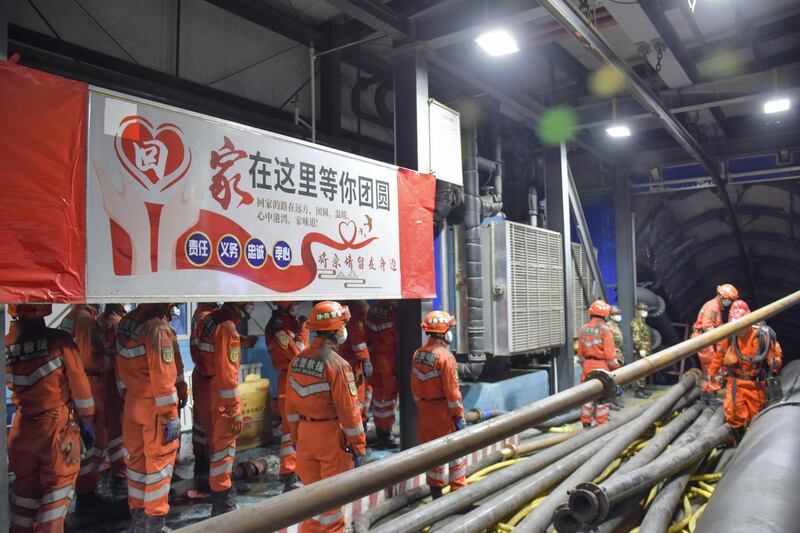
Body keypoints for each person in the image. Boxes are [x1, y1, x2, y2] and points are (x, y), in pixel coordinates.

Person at [6, 303, 96, 533]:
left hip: (21, 429)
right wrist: (87, 421)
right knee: (58, 493)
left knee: (24, 497)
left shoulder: (6, 345)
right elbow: (81, 390)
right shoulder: (60, 342)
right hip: (56, 431)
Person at [285, 301, 366, 532]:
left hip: (304, 435)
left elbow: (290, 406)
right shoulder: (338, 365)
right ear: (336, 330)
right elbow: (349, 414)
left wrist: (296, 436)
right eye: (343, 325)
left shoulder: (297, 360)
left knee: (312, 502)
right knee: (331, 505)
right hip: (330, 438)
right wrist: (359, 447)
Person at [116, 304, 181, 532]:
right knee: (159, 465)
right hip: (153, 406)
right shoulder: (157, 329)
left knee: (136, 464)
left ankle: (138, 521)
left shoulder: (127, 322)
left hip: (132, 402)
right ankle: (155, 524)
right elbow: (162, 379)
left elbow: (120, 365)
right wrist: (171, 415)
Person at [197, 302, 255, 515]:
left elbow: (209, 348)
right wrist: (234, 412)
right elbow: (228, 375)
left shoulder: (207, 318)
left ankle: (217, 493)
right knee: (223, 448)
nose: (251, 307)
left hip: (205, 386)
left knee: (213, 444)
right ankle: (223, 504)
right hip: (219, 393)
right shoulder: (228, 327)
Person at [411, 311, 466, 500]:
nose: (451, 332)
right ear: (443, 333)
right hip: (444, 413)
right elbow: (452, 392)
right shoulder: (446, 357)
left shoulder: (417, 354)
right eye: (449, 328)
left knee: (432, 454)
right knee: (455, 453)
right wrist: (458, 415)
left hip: (425, 412)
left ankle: (436, 493)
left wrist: (423, 405)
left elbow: (415, 387)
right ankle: (459, 495)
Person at [58, 304, 109, 508]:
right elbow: (89, 358)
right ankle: (87, 488)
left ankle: (85, 486)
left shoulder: (68, 317)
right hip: (89, 383)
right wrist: (110, 363)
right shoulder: (86, 321)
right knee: (97, 440)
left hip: (72, 385)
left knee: (84, 442)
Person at [714, 300, 782, 442]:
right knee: (733, 413)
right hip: (735, 383)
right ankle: (738, 444)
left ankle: (752, 444)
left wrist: (774, 365)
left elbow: (774, 355)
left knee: (756, 417)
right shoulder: (729, 336)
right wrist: (713, 374)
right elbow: (719, 356)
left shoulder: (762, 336)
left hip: (755, 384)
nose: (739, 329)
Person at [265, 301, 304, 491]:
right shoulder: (278, 327)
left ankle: (297, 470)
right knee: (290, 429)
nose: (298, 305)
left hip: (296, 378)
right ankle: (289, 474)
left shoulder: (290, 322)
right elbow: (297, 354)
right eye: (295, 303)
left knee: (299, 427)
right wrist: (304, 332)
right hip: (288, 380)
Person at [96, 303, 129, 501]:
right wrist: (123, 387)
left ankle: (108, 470)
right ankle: (121, 474)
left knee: (105, 428)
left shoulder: (99, 320)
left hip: (99, 382)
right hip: (113, 383)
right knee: (118, 429)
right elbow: (118, 358)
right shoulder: (117, 324)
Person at [189, 302, 219, 486]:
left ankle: (201, 465)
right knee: (213, 428)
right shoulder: (209, 317)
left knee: (200, 423)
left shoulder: (199, 314)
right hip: (210, 378)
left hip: (201, 375)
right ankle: (213, 479)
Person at [577, 300, 620, 427]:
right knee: (602, 396)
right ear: (605, 314)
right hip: (602, 366)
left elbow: (580, 355)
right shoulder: (606, 330)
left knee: (587, 396)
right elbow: (610, 356)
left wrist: (585, 364)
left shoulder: (583, 329)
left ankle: (586, 422)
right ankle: (601, 424)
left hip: (586, 366)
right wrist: (616, 370)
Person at [692, 284, 738, 398]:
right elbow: (707, 325)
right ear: (723, 297)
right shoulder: (713, 306)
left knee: (712, 365)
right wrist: (719, 339)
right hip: (703, 339)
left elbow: (716, 325)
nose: (730, 303)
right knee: (712, 364)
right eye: (730, 300)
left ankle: (709, 391)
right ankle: (712, 394)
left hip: (705, 338)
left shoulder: (716, 307)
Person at [365, 300, 399, 449]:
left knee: (379, 398)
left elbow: (366, 334)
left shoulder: (373, 309)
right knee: (389, 398)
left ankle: (381, 432)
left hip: (374, 358)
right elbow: (397, 338)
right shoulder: (393, 311)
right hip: (389, 360)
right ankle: (386, 434)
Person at [339, 301, 373, 424]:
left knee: (361, 392)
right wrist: (366, 359)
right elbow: (358, 344)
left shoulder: (348, 320)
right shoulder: (355, 322)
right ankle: (358, 421)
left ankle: (361, 420)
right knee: (357, 394)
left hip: (349, 361)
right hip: (353, 363)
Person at [630, 303, 653, 399]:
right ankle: (638, 391)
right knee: (640, 371)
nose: (645, 312)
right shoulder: (636, 322)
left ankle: (642, 389)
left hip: (646, 349)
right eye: (643, 310)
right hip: (641, 350)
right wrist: (640, 349)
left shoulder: (643, 322)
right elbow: (636, 337)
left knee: (644, 372)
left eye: (646, 311)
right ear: (638, 311)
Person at [606, 306, 625, 410]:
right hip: (612, 356)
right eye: (616, 314)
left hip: (617, 355)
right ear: (611, 315)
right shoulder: (608, 327)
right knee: (612, 380)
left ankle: (615, 400)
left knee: (617, 380)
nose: (618, 316)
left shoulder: (615, 326)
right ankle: (611, 401)